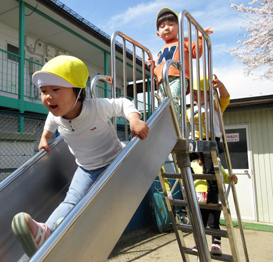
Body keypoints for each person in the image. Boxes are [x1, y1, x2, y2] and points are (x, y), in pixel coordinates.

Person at [11, 55, 149, 257]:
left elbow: (122, 103)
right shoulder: (55, 116)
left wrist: (134, 119)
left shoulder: (95, 107)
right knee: (71, 200)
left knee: (95, 201)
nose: (48, 96)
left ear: (78, 92)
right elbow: (49, 125)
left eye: (55, 89)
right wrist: (44, 139)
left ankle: (72, 227)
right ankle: (44, 234)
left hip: (114, 164)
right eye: (43, 91)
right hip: (85, 168)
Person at [148, 7, 213, 127]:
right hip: (163, 83)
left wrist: (200, 36)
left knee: (173, 100)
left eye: (171, 24)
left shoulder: (184, 41)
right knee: (162, 105)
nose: (166, 28)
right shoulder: (160, 52)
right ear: (158, 34)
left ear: (178, 28)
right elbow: (158, 71)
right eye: (162, 27)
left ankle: (175, 127)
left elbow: (196, 52)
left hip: (178, 78)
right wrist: (152, 68)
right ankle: (165, 127)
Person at [188, 74, 231, 255]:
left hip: (211, 142)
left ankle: (215, 240)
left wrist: (219, 85)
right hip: (197, 143)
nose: (195, 96)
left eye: (199, 93)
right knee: (183, 159)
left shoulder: (214, 105)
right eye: (194, 93)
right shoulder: (193, 109)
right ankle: (189, 181)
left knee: (211, 183)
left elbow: (225, 97)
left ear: (209, 92)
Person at [191, 158, 238, 255]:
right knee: (201, 223)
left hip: (214, 196)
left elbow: (224, 177)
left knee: (213, 222)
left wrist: (233, 178)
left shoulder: (216, 165)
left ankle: (216, 244)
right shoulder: (193, 165)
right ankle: (199, 244)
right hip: (200, 198)